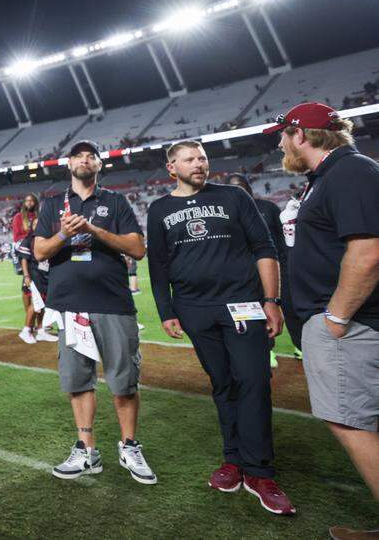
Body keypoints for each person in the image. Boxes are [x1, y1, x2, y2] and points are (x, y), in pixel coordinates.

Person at [147, 141, 295, 515]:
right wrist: (166, 311)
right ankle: (234, 461)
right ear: (171, 168)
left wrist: (272, 301)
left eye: (202, 158)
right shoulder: (160, 209)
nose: (199, 163)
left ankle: (260, 472)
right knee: (224, 384)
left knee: (254, 381)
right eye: (190, 159)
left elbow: (264, 247)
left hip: (242, 305)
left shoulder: (233, 197)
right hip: (195, 310)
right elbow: (159, 265)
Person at [265, 102, 379, 530]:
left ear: (302, 134)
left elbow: (368, 253)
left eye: (283, 135)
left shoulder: (349, 171)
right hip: (352, 321)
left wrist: (335, 318)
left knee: (349, 422)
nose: (280, 143)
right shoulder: (331, 176)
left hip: (352, 324)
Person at [33, 140, 154, 484]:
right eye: (78, 156)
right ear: (68, 164)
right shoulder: (53, 204)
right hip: (70, 304)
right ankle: (87, 450)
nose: (85, 161)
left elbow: (137, 248)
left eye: (91, 156)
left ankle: (129, 445)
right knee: (78, 379)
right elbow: (40, 251)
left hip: (112, 301)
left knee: (123, 379)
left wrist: (93, 230)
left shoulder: (114, 201)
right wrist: (64, 233)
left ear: (99, 165)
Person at [227, 172, 299, 362]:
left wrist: (289, 263)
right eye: (232, 187)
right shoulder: (225, 216)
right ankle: (267, 349)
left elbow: (284, 239)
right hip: (246, 274)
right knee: (254, 313)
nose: (238, 191)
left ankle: (300, 345)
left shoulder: (268, 208)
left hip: (277, 268)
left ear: (249, 188)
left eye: (241, 186)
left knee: (290, 307)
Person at [16, 230, 55, 343]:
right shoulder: (29, 240)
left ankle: (41, 330)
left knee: (42, 304)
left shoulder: (47, 238)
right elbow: (23, 259)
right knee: (36, 303)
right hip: (34, 275)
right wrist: (26, 275)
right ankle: (26, 330)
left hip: (44, 275)